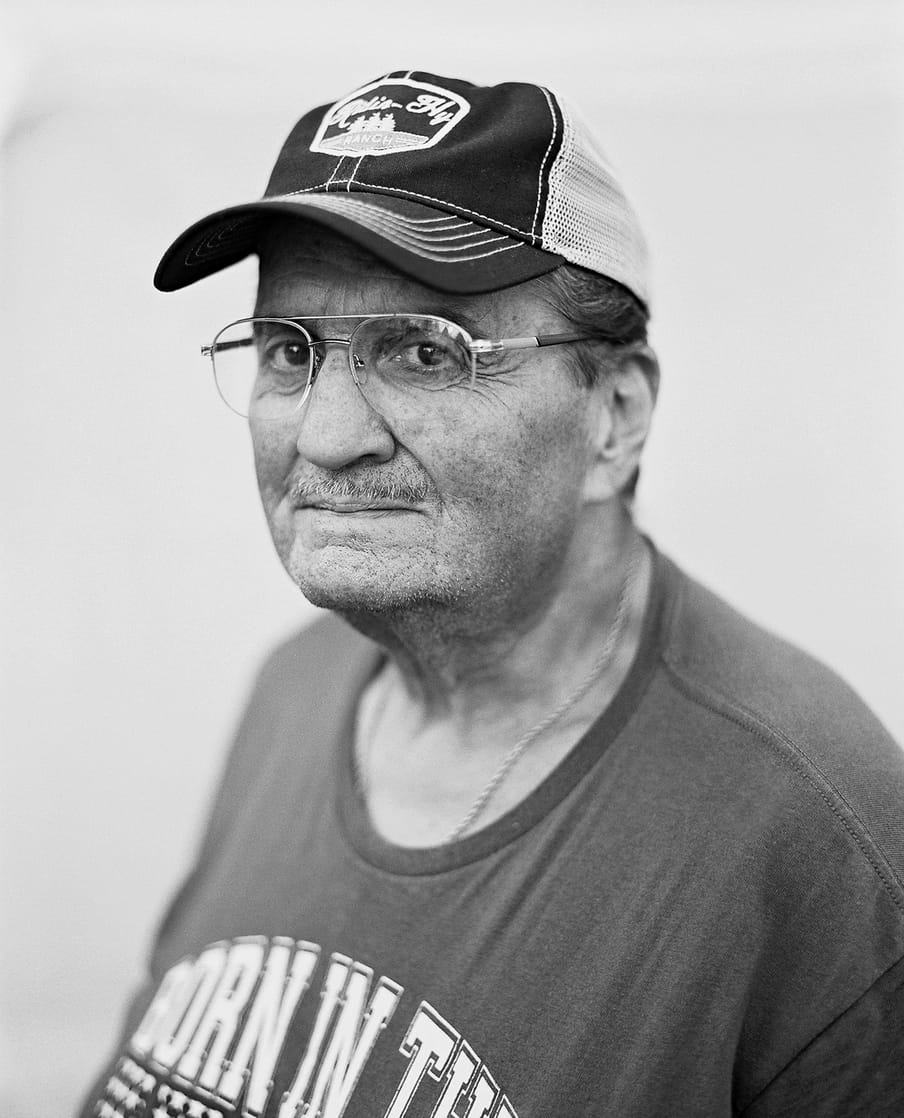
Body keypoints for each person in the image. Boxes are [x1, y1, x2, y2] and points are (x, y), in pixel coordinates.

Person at [79, 70, 904, 1118]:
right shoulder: (295, 687)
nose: (328, 436)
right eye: (290, 349)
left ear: (613, 412)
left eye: (425, 351)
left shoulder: (818, 834)